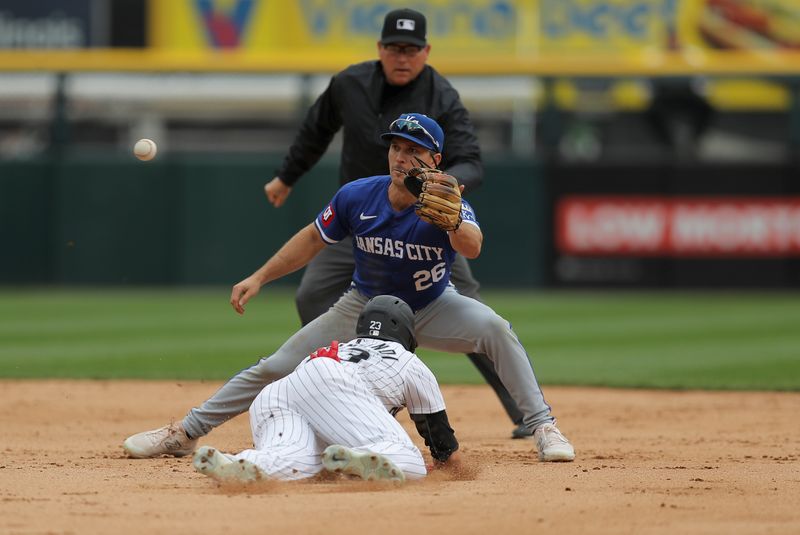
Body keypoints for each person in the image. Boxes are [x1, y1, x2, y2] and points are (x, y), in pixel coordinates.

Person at [123, 113, 575, 463]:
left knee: (496, 329)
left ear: (435, 161)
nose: (402, 157)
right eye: (397, 147)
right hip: (362, 308)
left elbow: (472, 248)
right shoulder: (359, 195)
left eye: (415, 150)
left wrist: (454, 219)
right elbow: (311, 239)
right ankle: (184, 432)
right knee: (275, 365)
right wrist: (260, 276)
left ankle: (543, 427)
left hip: (433, 305)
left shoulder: (448, 198)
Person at [264, 7, 528, 437]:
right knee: (311, 294)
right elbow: (316, 129)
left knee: (476, 314)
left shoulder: (440, 95)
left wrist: (443, 192)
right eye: (393, 48)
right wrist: (286, 177)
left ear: (425, 52)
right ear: (380, 49)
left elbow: (470, 161)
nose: (401, 56)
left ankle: (523, 412)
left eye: (410, 49)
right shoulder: (349, 84)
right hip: (358, 223)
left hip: (423, 226)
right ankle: (344, 389)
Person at [192, 295, 461, 483]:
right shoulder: (408, 361)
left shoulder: (344, 347)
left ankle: (243, 464)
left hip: (279, 392)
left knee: (298, 461)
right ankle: (368, 456)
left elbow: (318, 397)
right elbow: (439, 439)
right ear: (407, 333)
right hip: (334, 383)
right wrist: (448, 466)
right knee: (410, 460)